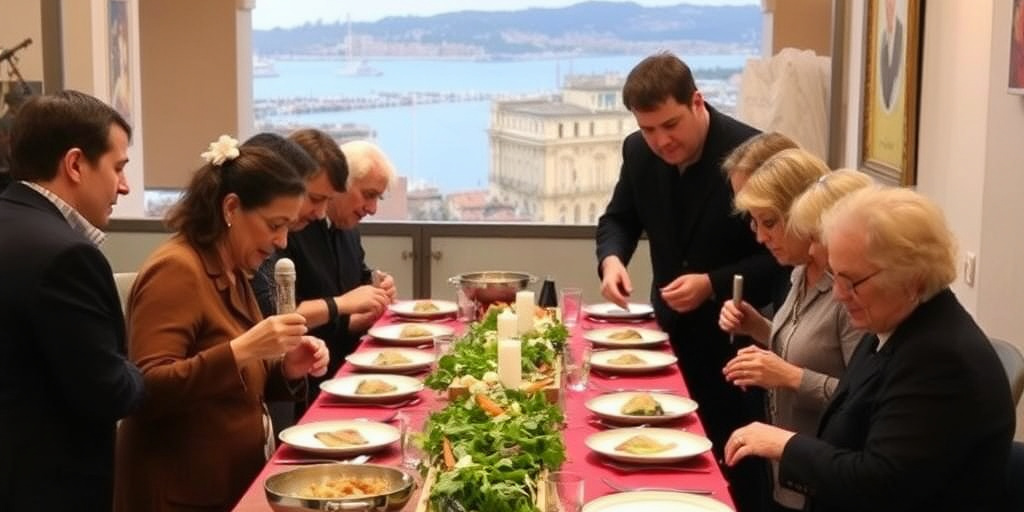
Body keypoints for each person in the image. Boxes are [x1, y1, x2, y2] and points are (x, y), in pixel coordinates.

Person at [724, 187, 1016, 512]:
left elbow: (880, 484)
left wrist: (786, 445)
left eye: (851, 282)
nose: (837, 294)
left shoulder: (941, 360)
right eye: (835, 275)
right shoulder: (890, 321)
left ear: (912, 280)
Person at [595, 51, 782, 511]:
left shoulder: (754, 153)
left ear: (698, 101)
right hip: (666, 340)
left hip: (734, 345)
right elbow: (618, 219)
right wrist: (612, 260)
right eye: (648, 129)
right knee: (660, 471)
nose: (661, 140)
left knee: (732, 472)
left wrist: (712, 284)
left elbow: (782, 259)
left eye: (671, 125)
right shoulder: (637, 151)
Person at [114, 136, 330, 511]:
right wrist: (246, 347)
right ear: (231, 207)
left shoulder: (231, 267)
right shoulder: (177, 269)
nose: (280, 242)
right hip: (179, 492)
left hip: (223, 483)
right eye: (274, 225)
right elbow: (147, 389)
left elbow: (236, 377)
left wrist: (287, 370)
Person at [0, 90, 145, 511]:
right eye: (118, 167)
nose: (124, 185)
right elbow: (110, 392)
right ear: (76, 164)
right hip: (48, 487)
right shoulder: (67, 255)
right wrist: (139, 369)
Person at [719, 161, 871, 512]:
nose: (760, 237)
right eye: (755, 224)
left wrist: (790, 377)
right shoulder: (799, 273)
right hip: (784, 469)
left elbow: (862, 399)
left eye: (770, 223)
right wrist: (758, 327)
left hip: (823, 479)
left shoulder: (848, 293)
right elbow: (809, 349)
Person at [250, 130, 391, 427]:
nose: (319, 212)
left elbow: (354, 288)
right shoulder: (294, 231)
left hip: (313, 372)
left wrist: (372, 296)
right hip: (300, 385)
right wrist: (341, 305)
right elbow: (275, 315)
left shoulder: (344, 228)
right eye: (368, 195)